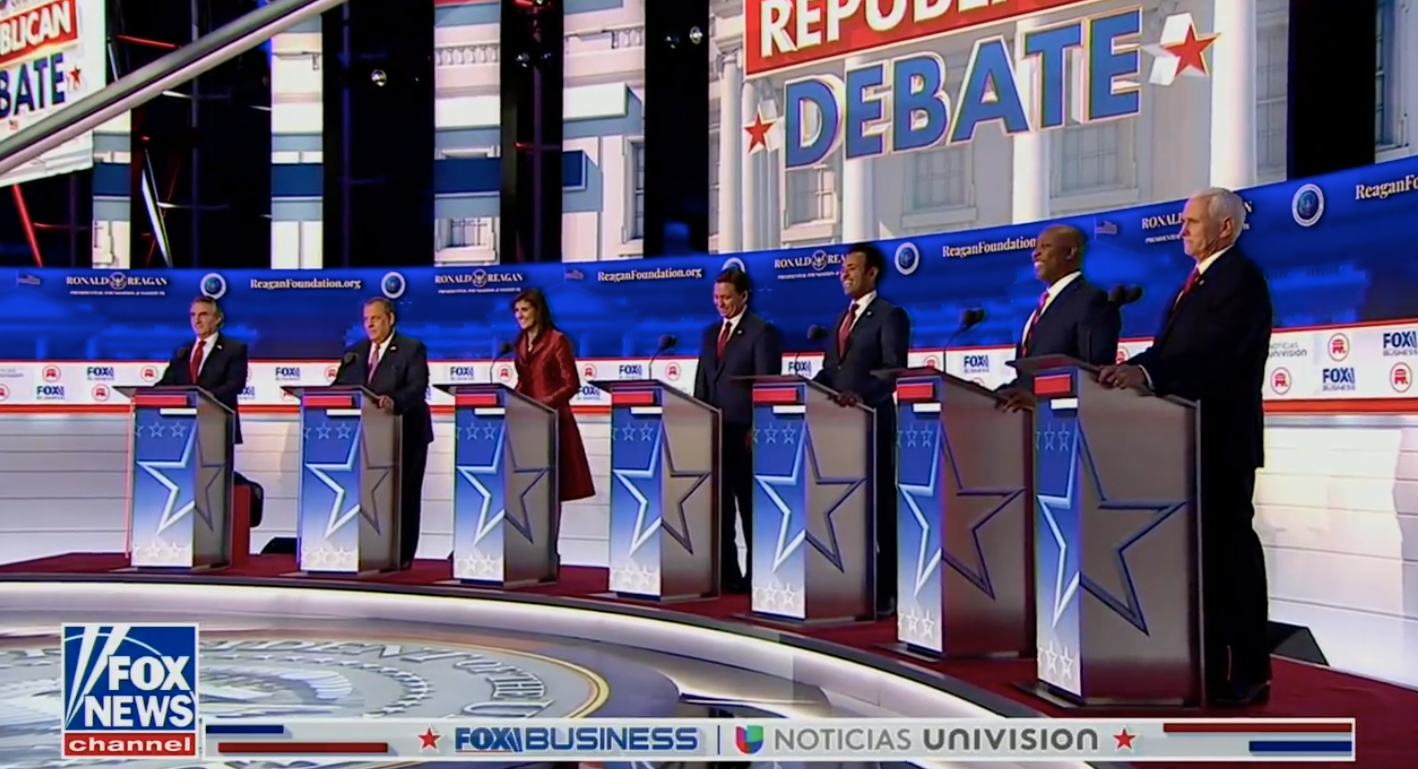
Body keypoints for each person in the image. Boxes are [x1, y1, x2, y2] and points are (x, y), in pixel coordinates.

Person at [1099, 187, 1273, 707]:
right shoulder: (1198, 282)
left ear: (1224, 228)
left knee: (1229, 555)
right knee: (1202, 558)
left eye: (1192, 222)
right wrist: (1135, 365)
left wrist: (1150, 371)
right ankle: (1205, 663)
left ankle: (1249, 669)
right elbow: (1176, 349)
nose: (1182, 230)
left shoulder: (1239, 280)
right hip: (1186, 439)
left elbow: (1214, 353)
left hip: (1222, 440)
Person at [813, 243, 911, 617]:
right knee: (845, 504)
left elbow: (893, 370)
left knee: (880, 506)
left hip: (872, 421)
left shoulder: (890, 315)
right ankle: (851, 580)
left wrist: (860, 397)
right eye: (842, 269)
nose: (845, 274)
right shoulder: (841, 317)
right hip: (837, 426)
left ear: (872, 273)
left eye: (852, 268)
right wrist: (809, 387)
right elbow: (831, 369)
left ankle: (888, 590)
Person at [692, 268, 783, 594]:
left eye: (726, 297)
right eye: (716, 297)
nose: (721, 303)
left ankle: (757, 575)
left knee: (749, 507)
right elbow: (702, 382)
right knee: (720, 508)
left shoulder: (762, 332)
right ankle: (726, 572)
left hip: (745, 433)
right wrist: (698, 421)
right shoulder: (708, 334)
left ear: (744, 296)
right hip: (715, 431)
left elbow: (766, 386)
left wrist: (757, 428)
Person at [333, 297, 432, 570]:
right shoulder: (356, 352)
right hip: (367, 438)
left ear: (390, 319)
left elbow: (417, 386)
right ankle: (370, 549)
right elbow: (341, 386)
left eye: (375, 318)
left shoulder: (411, 348)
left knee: (405, 496)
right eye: (366, 319)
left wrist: (394, 401)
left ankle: (402, 556)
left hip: (407, 432)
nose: (370, 324)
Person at [511, 288, 595, 567]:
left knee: (551, 490)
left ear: (538, 310)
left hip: (554, 423)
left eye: (525, 310)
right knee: (529, 487)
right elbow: (523, 382)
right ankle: (530, 548)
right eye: (517, 311)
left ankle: (549, 553)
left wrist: (543, 405)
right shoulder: (520, 343)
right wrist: (510, 399)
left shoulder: (558, 341)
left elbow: (571, 384)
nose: (520, 316)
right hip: (527, 426)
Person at [1001, 224, 1121, 411]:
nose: (1035, 254)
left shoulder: (1091, 300)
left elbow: (1092, 374)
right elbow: (1028, 378)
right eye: (1036, 247)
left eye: (1045, 247)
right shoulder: (1045, 305)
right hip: (1027, 419)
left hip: (1062, 423)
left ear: (1070, 252)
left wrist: (1040, 400)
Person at [157, 296, 249, 446]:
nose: (196, 320)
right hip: (181, 427)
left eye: (203, 315)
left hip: (217, 426)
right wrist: (146, 394)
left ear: (218, 319)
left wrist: (202, 400)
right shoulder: (183, 351)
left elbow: (235, 385)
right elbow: (167, 383)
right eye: (193, 315)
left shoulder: (234, 349)